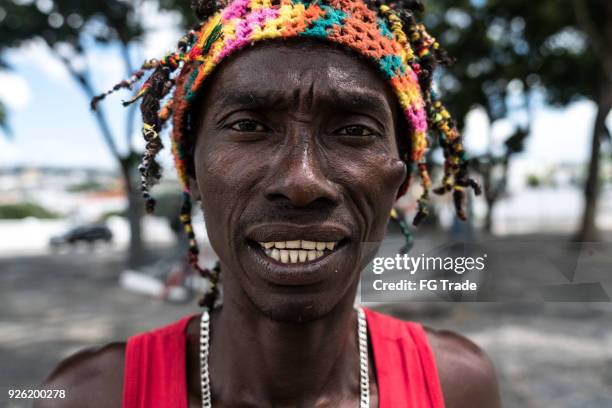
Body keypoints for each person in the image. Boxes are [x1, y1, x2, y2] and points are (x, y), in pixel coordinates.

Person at [37, 0, 500, 406]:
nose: (301, 182)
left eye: (354, 131)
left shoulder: (458, 387)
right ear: (192, 171)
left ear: (398, 182)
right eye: (248, 126)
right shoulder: (86, 396)